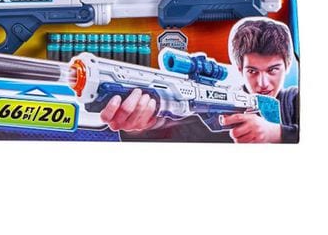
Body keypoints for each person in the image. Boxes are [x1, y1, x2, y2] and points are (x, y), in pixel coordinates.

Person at [100, 18, 299, 143]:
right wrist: (142, 125)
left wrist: (275, 133)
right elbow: (174, 131)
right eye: (252, 71)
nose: (263, 83)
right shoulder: (216, 103)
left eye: (273, 70)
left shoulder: (295, 100)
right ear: (240, 69)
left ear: (288, 65)